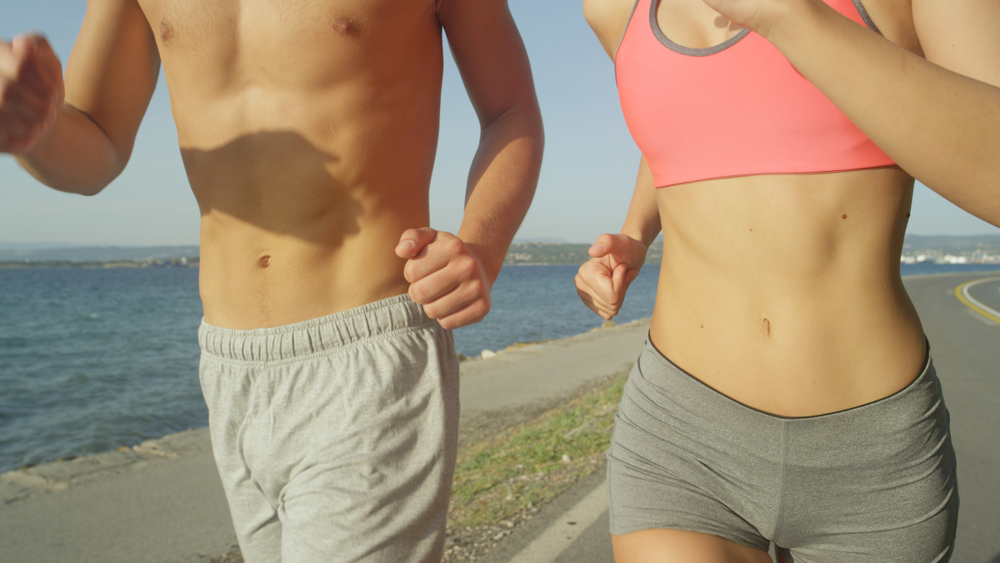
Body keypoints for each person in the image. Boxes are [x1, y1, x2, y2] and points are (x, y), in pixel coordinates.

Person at [0, 0, 543, 561]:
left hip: (368, 357)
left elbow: (510, 110)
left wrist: (483, 245)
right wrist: (31, 127)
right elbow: (95, 141)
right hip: (229, 367)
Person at [575, 0, 999, 561]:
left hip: (871, 454)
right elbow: (692, 114)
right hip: (681, 434)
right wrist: (635, 232)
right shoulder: (612, 9)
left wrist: (787, 16)